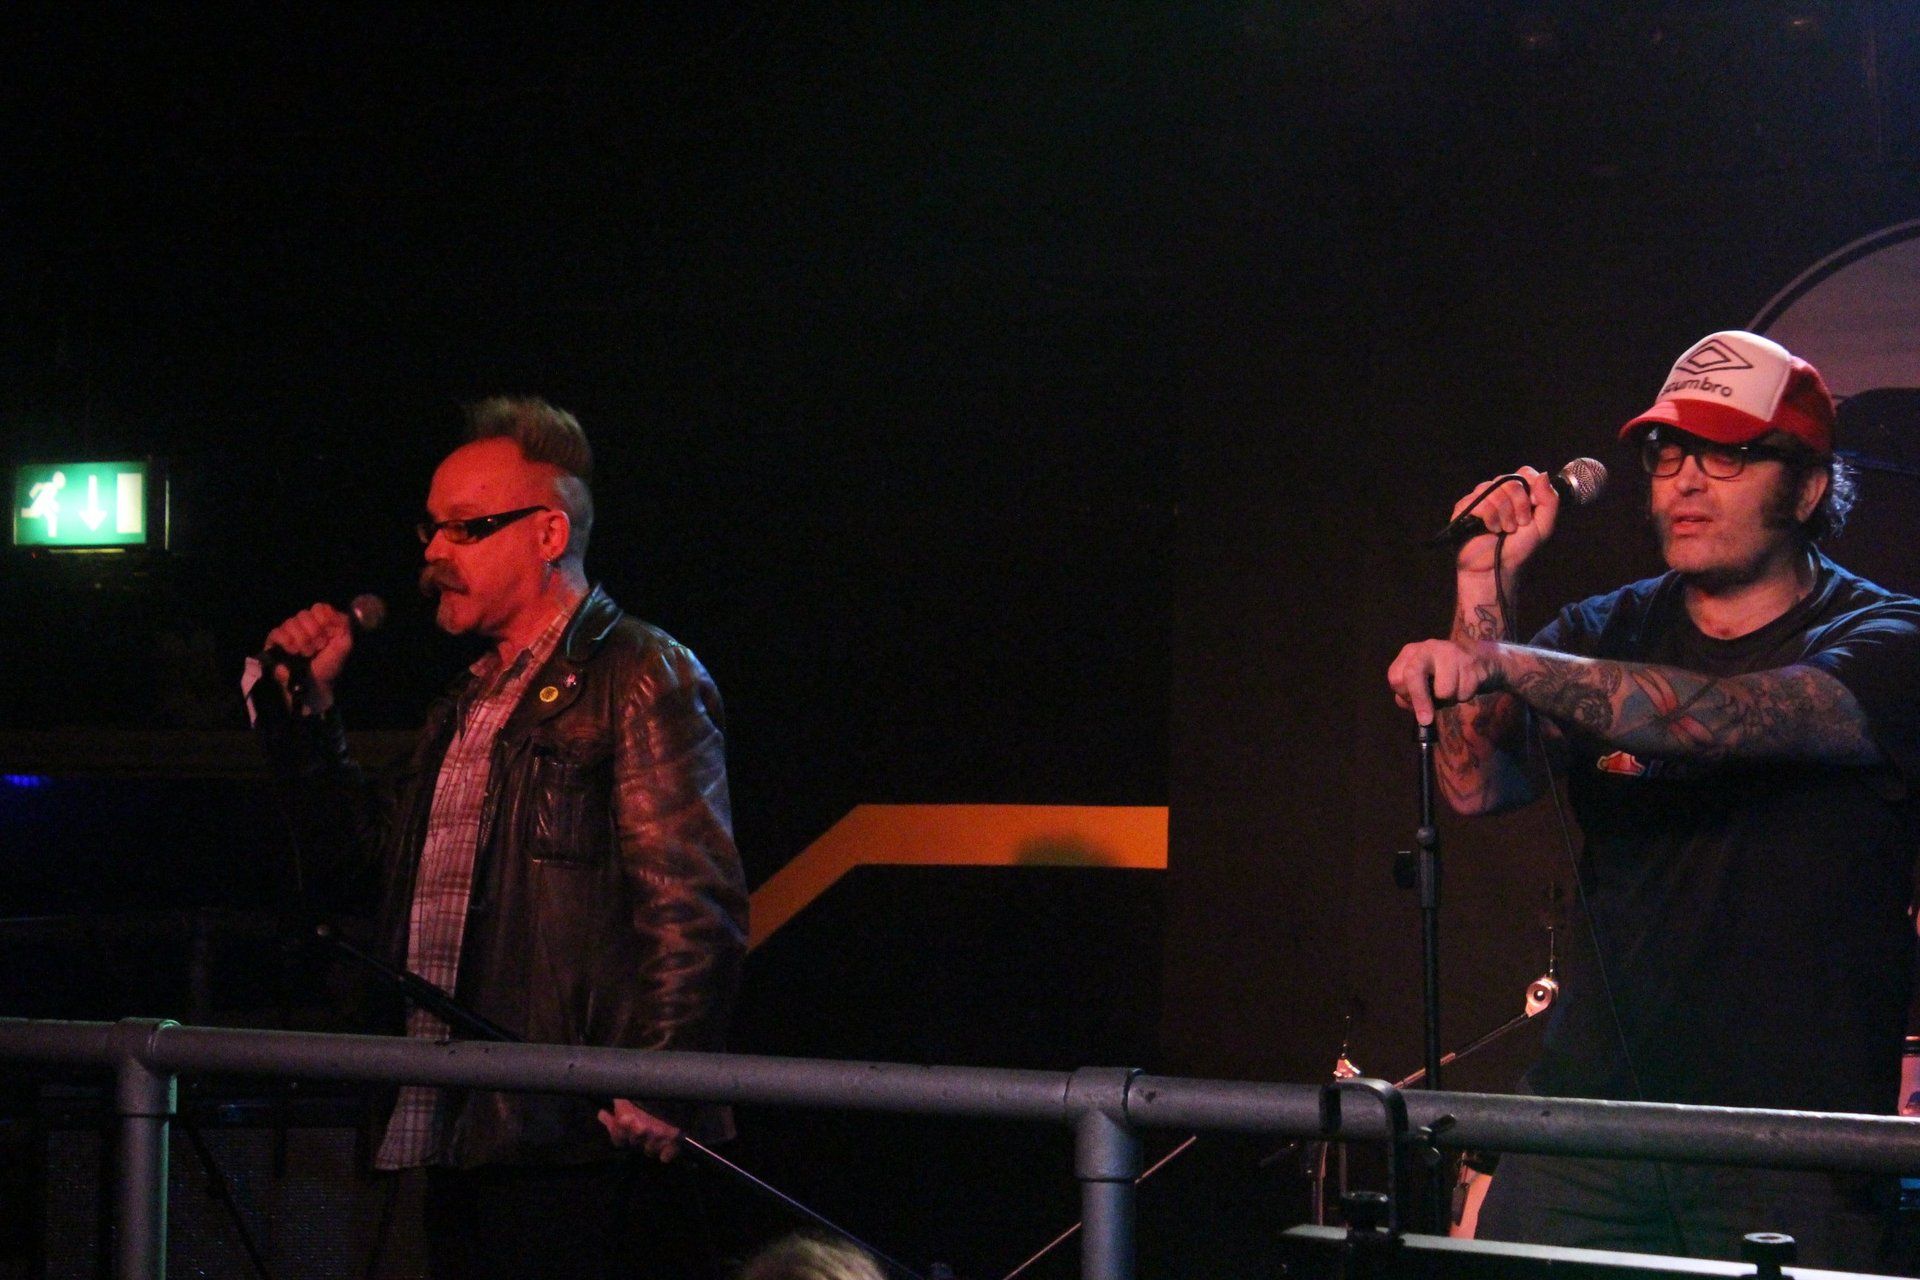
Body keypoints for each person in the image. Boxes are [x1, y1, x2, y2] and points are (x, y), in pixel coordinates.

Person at [1386, 331, 1920, 1267]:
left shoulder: (1887, 633)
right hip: (1588, 1135)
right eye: (1667, 454)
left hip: (1793, 1152)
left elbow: (1721, 718)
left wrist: (1503, 658)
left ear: (1805, 488)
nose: (1684, 481)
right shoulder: (1614, 624)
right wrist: (1485, 582)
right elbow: (1477, 783)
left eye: (1727, 454)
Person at [252, 397, 748, 1279]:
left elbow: (692, 901)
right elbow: (361, 870)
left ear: (549, 533)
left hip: (575, 1135)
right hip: (454, 1125)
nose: (434, 555)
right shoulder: (466, 703)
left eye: (466, 529)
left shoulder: (641, 673)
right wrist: (307, 721)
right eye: (431, 530)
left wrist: (667, 1078)